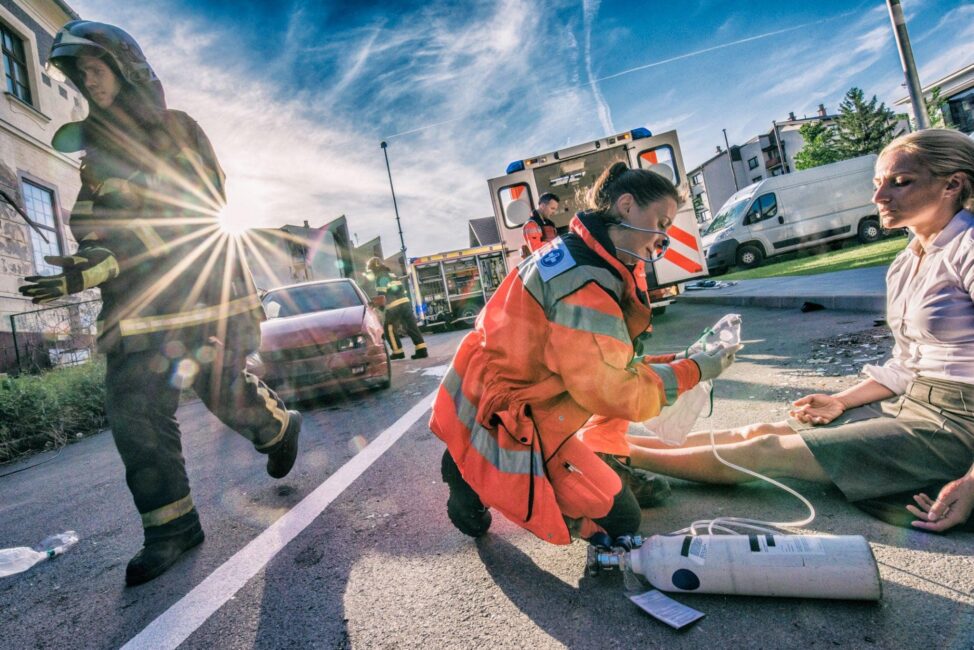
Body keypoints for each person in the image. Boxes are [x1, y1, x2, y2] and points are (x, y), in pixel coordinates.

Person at [19, 21, 302, 585]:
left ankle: (276, 428)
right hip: (132, 311)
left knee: (221, 389)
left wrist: (117, 256)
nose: (89, 84)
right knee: (133, 415)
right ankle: (172, 527)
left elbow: (197, 208)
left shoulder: (178, 129)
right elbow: (92, 222)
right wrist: (86, 265)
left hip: (193, 297)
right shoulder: (96, 153)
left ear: (125, 67)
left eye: (95, 71)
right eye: (81, 77)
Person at [628, 128, 974, 533]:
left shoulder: (967, 247)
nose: (878, 197)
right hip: (911, 401)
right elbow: (906, 365)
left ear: (953, 184)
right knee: (760, 429)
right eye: (878, 184)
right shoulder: (907, 261)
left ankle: (615, 455)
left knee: (768, 450)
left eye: (901, 183)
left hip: (958, 425)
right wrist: (842, 401)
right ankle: (617, 450)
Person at [430, 162, 739, 545]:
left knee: (612, 452)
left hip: (529, 388)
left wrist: (680, 362)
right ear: (626, 206)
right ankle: (469, 476)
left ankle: (599, 461)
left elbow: (609, 361)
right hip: (509, 416)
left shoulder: (586, 253)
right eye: (660, 223)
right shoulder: (583, 283)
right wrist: (693, 370)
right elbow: (612, 388)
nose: (663, 239)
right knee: (621, 521)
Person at [366, 257, 427, 360]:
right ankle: (422, 350)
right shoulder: (392, 274)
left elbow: (382, 296)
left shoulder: (380, 277)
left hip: (395, 306)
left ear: (374, 268)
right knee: (411, 327)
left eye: (371, 270)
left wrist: (376, 306)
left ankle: (397, 352)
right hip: (405, 303)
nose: (371, 272)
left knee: (389, 328)